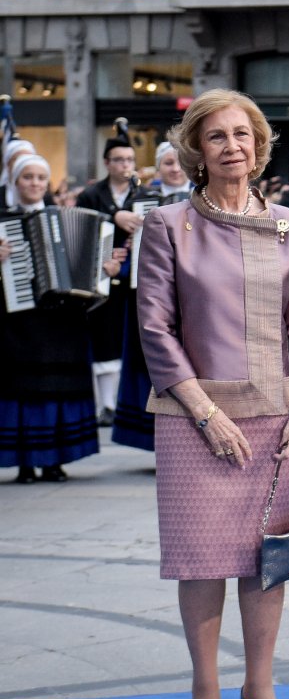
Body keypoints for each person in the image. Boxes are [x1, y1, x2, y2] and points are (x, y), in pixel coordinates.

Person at [137, 89, 289, 699]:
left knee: (266, 561)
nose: (231, 146)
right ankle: (207, 690)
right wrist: (205, 411)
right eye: (216, 136)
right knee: (201, 562)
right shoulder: (167, 226)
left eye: (243, 134)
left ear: (260, 144)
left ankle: (261, 686)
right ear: (196, 148)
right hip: (195, 419)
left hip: (276, 419)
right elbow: (155, 329)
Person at [0, 154, 108, 483]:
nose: (34, 184)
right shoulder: (3, 221)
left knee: (61, 389)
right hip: (20, 321)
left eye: (40, 178)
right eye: (27, 178)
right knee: (24, 391)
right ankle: (25, 464)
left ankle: (55, 461)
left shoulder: (63, 216)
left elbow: (91, 272)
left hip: (63, 321)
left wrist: (103, 272)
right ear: (15, 182)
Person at [112, 142, 193, 453]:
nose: (174, 169)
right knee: (151, 365)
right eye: (167, 163)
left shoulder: (202, 196)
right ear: (158, 168)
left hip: (189, 294)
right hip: (148, 293)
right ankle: (153, 440)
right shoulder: (140, 201)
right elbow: (117, 250)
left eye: (178, 163)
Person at [77, 134, 150, 427]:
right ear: (107, 163)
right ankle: (106, 404)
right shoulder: (91, 195)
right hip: (102, 278)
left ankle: (124, 402)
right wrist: (113, 216)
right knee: (105, 337)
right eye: (118, 160)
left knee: (132, 338)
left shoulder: (141, 195)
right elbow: (81, 235)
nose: (125, 165)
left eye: (130, 160)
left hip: (135, 278)